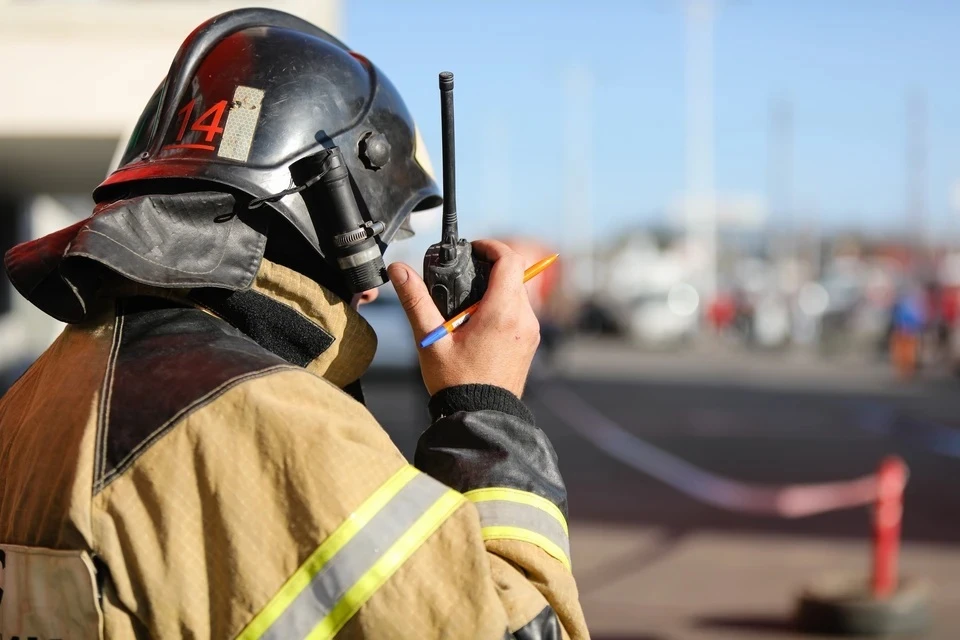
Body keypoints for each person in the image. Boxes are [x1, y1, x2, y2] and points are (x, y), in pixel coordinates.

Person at [0, 9, 587, 639]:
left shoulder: (31, 403)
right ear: (336, 222)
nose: (375, 281)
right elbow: (520, 630)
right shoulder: (283, 428)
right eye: (386, 236)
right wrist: (485, 410)